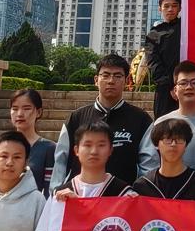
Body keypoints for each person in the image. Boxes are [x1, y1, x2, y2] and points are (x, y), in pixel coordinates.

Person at [52, 54, 152, 188]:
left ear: (127, 80)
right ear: (96, 80)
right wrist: (56, 191)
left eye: (118, 76)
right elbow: (60, 162)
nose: (111, 81)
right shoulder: (76, 118)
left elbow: (149, 166)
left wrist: (139, 194)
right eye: (105, 75)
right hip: (79, 196)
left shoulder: (141, 119)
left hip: (123, 197)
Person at [138, 59, 195, 180]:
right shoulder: (161, 122)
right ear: (175, 91)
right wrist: (155, 185)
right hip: (165, 189)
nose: (189, 87)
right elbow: (149, 160)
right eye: (183, 83)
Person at [133, 115, 195, 203]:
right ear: (156, 144)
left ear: (186, 145)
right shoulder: (143, 186)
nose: (173, 144)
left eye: (179, 139)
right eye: (168, 139)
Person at [140, 0, 183, 119]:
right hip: (165, 89)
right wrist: (171, 86)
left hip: (186, 85)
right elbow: (153, 63)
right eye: (166, 6)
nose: (170, 9)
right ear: (160, 8)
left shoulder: (186, 28)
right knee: (163, 124)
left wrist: (181, 84)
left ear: (180, 8)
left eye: (174, 6)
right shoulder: (154, 34)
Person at [8, 87, 57, 194]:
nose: (19, 114)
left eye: (26, 108)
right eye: (15, 109)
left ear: (38, 112)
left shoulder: (49, 148)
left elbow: (49, 191)